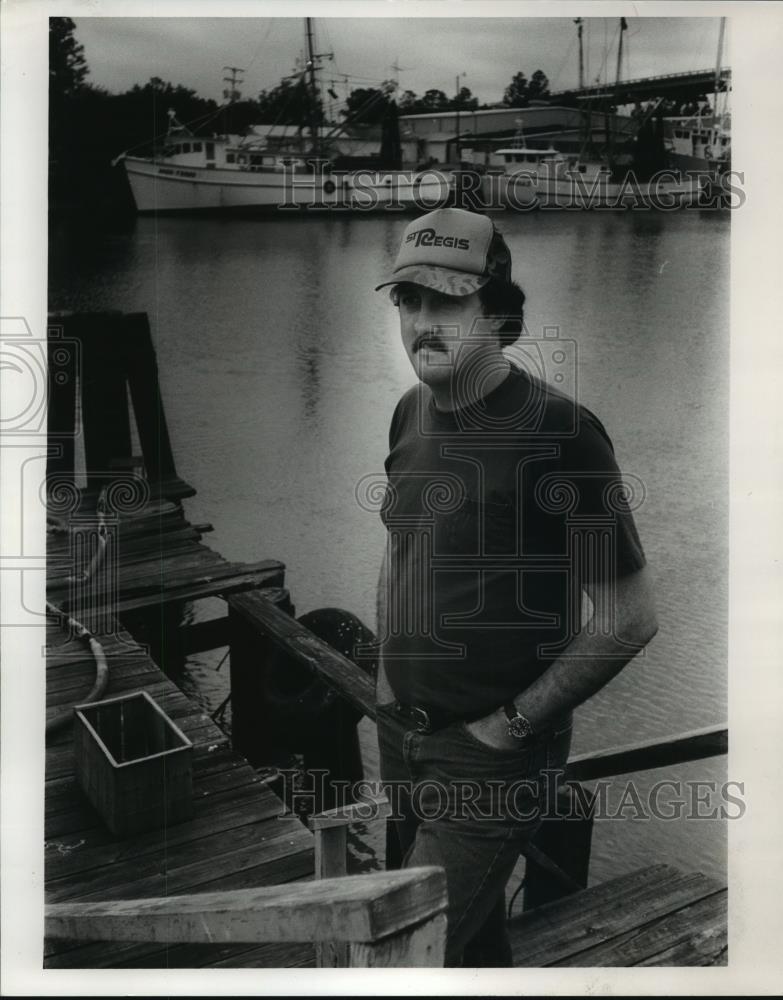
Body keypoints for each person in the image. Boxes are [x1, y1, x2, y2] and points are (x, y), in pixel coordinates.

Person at [372, 207, 658, 967]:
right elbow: (397, 553)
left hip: (487, 756)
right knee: (463, 945)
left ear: (498, 315)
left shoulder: (558, 433)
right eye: (408, 301)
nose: (421, 324)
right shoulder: (409, 413)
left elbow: (629, 616)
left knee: (400, 954)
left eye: (444, 301)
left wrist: (513, 728)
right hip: (402, 735)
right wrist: (381, 684)